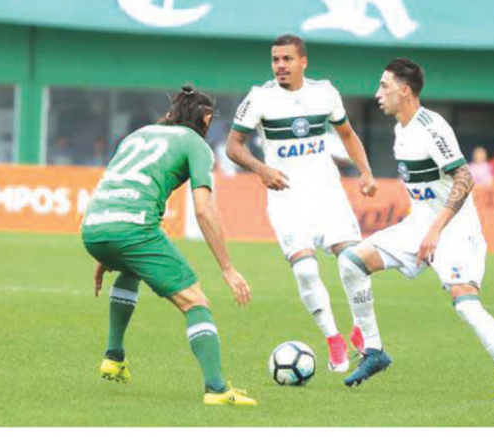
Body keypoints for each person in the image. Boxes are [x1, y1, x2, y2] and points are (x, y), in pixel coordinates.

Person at [337, 59, 494, 404]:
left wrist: (434, 231)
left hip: (456, 229)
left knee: (466, 305)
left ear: (405, 90)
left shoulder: (433, 127)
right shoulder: (401, 130)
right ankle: (373, 350)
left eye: (384, 86)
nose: (377, 93)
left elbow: (465, 178)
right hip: (419, 225)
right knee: (351, 262)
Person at [81, 85, 257, 406]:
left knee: (132, 270)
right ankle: (217, 390)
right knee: (194, 301)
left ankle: (114, 356)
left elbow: (117, 184)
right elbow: (204, 210)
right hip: (132, 229)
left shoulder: (138, 135)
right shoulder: (196, 144)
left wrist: (105, 252)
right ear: (205, 118)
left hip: (94, 226)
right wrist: (228, 269)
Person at [226, 34, 378, 373]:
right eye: (275, 60)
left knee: (355, 262)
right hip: (286, 198)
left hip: (327, 193)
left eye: (287, 59)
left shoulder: (324, 92)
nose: (280, 65)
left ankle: (360, 331)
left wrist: (366, 171)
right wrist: (261, 169)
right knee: (307, 269)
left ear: (303, 62)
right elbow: (233, 146)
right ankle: (333, 340)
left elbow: (348, 134)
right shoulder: (259, 97)